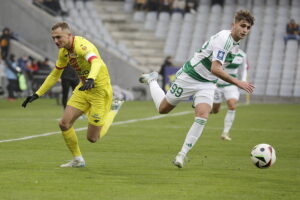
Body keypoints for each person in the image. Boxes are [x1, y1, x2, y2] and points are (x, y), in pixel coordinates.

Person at [139, 10, 255, 168]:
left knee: (202, 116)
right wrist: (238, 82)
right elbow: (216, 68)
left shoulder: (235, 44)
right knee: (163, 109)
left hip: (207, 83)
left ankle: (181, 155)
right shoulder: (224, 40)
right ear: (233, 25)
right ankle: (153, 80)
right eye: (242, 26)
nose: (245, 30)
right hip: (190, 76)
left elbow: (214, 71)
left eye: (248, 27)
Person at [21, 22, 123, 168]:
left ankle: (113, 109)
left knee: (92, 138)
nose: (56, 41)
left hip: (100, 91)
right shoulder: (63, 52)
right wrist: (37, 94)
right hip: (84, 89)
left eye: (58, 37)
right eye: (53, 38)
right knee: (64, 123)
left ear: (69, 35)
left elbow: (96, 62)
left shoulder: (82, 45)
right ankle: (78, 159)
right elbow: (55, 75)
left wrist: (91, 78)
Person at [211, 48, 248, 141]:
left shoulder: (242, 55)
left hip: (231, 85)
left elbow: (244, 69)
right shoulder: (221, 52)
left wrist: (243, 81)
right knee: (216, 110)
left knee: (232, 106)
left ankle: (225, 132)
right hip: (217, 85)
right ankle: (209, 109)